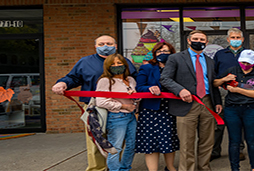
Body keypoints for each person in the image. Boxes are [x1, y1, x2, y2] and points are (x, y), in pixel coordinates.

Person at [51, 35, 137, 171]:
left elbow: (133, 80)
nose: (105, 46)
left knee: (120, 143)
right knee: (96, 141)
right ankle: (98, 169)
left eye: (109, 43)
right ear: (95, 46)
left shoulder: (124, 61)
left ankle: (116, 167)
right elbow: (73, 78)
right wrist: (62, 83)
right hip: (95, 107)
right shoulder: (85, 62)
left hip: (122, 109)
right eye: (101, 44)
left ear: (115, 46)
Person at [160, 30, 222, 171]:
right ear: (189, 40)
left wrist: (217, 102)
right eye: (195, 38)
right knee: (187, 143)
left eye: (202, 39)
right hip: (186, 104)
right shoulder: (176, 58)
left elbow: (212, 84)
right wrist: (180, 90)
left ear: (206, 43)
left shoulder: (210, 61)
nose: (198, 41)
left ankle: (204, 167)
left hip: (207, 103)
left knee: (207, 141)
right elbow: (165, 79)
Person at [214, 49, 254, 171]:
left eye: (248, 63)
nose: (245, 65)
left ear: (253, 62)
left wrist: (238, 90)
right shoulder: (232, 70)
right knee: (234, 141)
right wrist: (224, 79)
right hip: (232, 109)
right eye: (243, 62)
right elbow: (215, 83)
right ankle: (235, 168)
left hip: (251, 109)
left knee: (251, 140)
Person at [135, 42, 179, 171]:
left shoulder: (176, 68)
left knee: (169, 140)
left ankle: (170, 167)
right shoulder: (147, 68)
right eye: (159, 52)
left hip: (170, 109)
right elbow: (139, 87)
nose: (162, 54)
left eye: (166, 51)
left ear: (171, 54)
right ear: (154, 54)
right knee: (151, 142)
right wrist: (149, 88)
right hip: (151, 110)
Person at [95, 54, 138, 171]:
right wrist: (123, 106)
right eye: (112, 64)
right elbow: (100, 101)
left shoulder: (131, 80)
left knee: (131, 145)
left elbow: (137, 99)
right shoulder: (105, 81)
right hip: (116, 117)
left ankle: (125, 168)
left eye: (119, 63)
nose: (116, 66)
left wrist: (136, 97)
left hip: (131, 117)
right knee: (115, 147)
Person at [212, 28, 247, 161]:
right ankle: (215, 151)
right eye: (233, 37)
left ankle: (239, 150)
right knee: (218, 124)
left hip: (242, 91)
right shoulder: (220, 54)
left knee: (238, 123)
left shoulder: (247, 53)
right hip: (222, 91)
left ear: (242, 39)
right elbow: (213, 75)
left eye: (238, 37)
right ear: (228, 39)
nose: (235, 40)